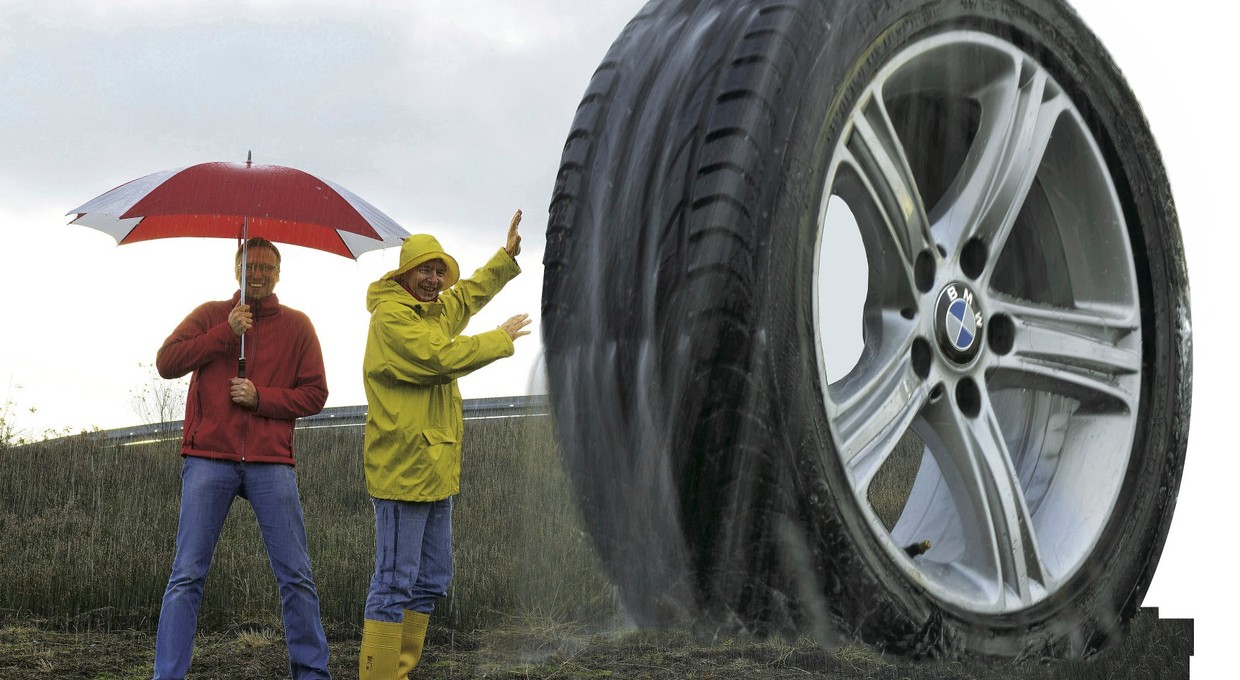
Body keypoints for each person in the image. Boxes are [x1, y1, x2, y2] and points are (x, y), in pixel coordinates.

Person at [358, 210, 532, 678]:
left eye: (439, 272)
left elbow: (468, 295)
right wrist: (499, 339)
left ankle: (399, 670)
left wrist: (506, 256)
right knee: (393, 583)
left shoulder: (433, 312)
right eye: (425, 270)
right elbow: (440, 360)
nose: (435, 280)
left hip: (435, 469)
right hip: (402, 470)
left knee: (431, 579)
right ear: (404, 273)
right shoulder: (393, 320)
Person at [152, 237, 332, 680]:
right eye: (251, 265)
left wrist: (261, 398)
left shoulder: (299, 326)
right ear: (237, 268)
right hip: (208, 458)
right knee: (187, 574)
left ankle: (312, 674)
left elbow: (316, 394)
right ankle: (167, 675)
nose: (259, 273)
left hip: (272, 464)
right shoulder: (212, 315)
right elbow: (166, 362)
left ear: (278, 274)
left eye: (268, 267)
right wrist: (225, 333)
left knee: (296, 576)